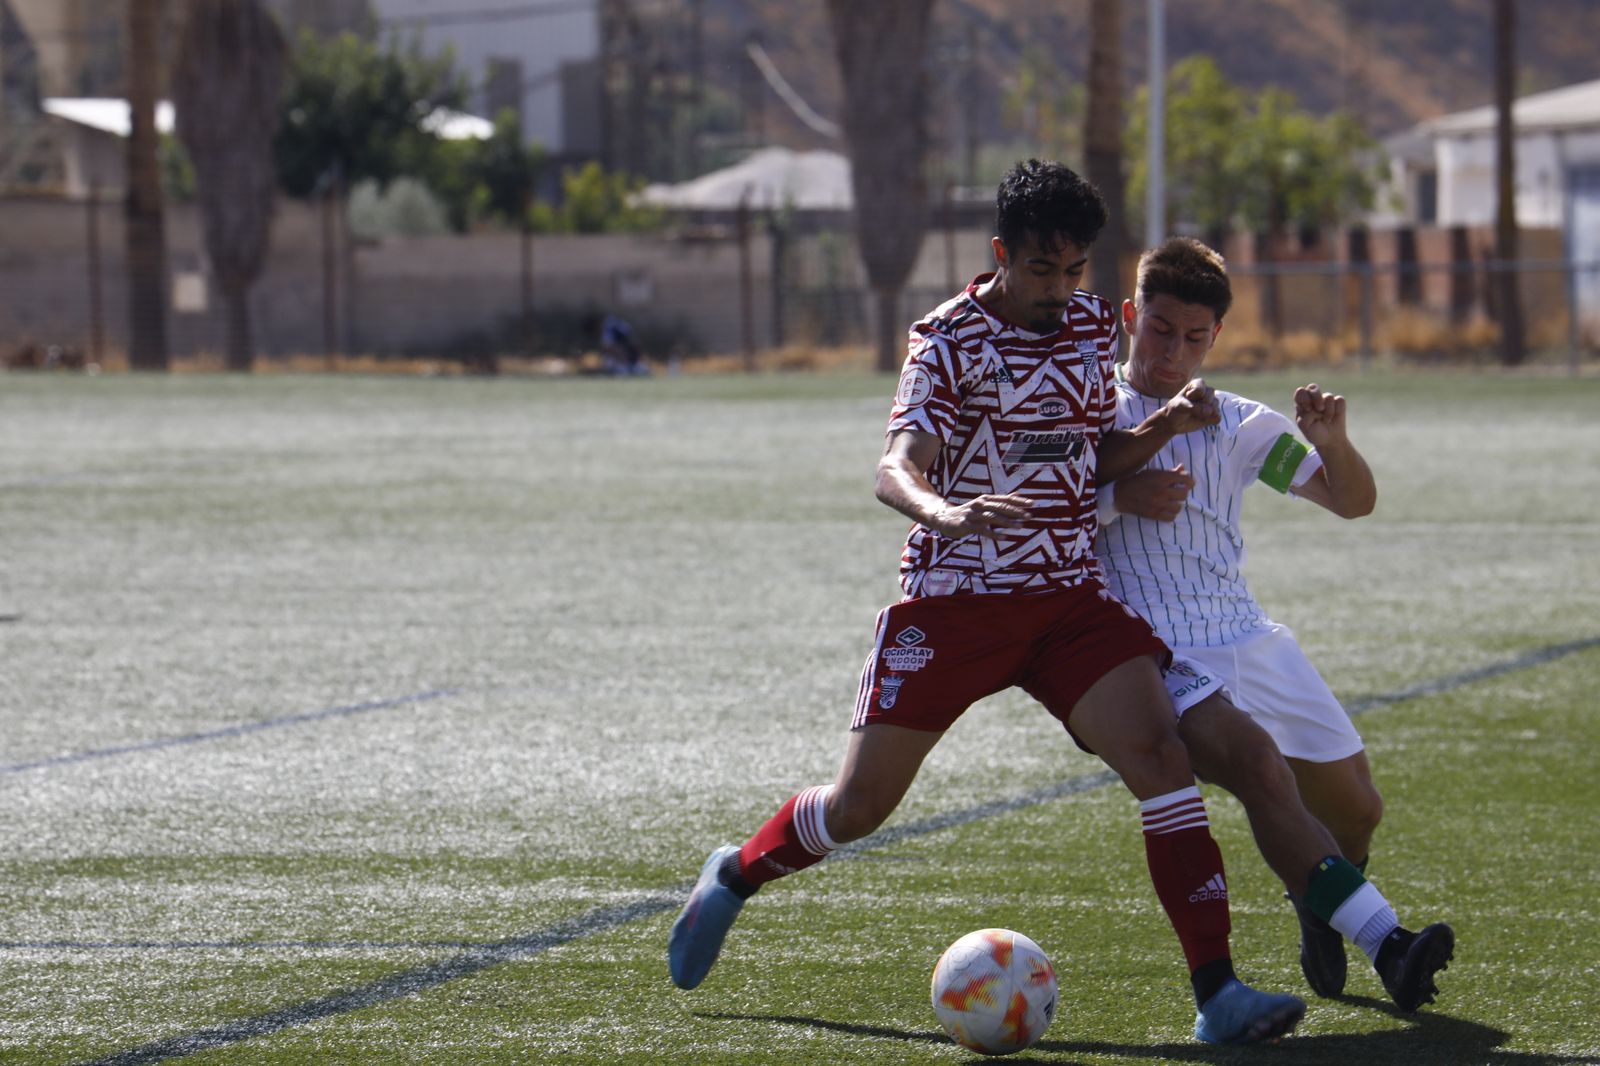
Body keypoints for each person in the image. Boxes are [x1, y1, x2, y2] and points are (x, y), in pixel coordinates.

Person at [668, 160, 1308, 1045]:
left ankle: (1218, 993)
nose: (1061, 290)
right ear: (1002, 254)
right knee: (859, 808)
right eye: (1042, 270)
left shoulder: (1087, 326)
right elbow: (897, 467)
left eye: (1076, 270)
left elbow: (1092, 459)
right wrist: (949, 514)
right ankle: (735, 874)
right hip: (955, 602)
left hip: (1064, 600)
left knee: (1160, 753)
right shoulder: (945, 339)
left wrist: (1158, 430)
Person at [1095, 236, 1454, 1007]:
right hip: (1153, 652)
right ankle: (1383, 939)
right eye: (1159, 329)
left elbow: (1350, 500)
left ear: (1216, 338)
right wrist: (1117, 499)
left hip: (1248, 635)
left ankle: (1315, 900)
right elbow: (1041, 513)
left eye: (1194, 338)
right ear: (1131, 316)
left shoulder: (1240, 425)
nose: (1173, 352)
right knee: (1261, 770)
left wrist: (1333, 444)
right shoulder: (1093, 412)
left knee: (1358, 809)